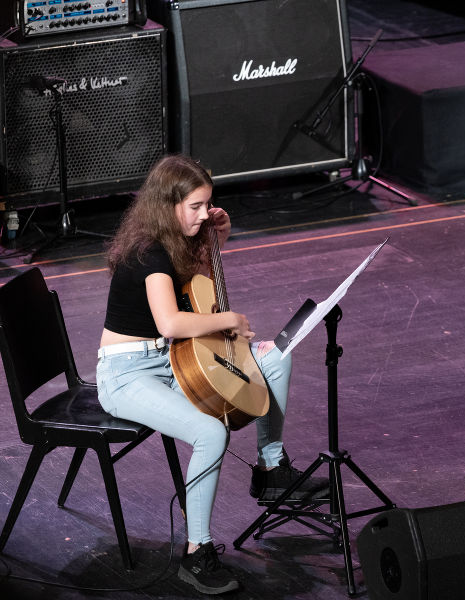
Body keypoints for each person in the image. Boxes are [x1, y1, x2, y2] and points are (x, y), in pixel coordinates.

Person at [95, 155, 322, 594]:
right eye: (195, 207)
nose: (203, 214)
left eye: (207, 206)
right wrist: (229, 321)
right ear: (168, 204)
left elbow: (199, 284)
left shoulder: (172, 240)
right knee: (209, 434)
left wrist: (218, 236)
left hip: (169, 359)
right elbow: (172, 323)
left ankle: (271, 467)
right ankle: (196, 553)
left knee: (276, 357)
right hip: (127, 374)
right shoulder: (148, 251)